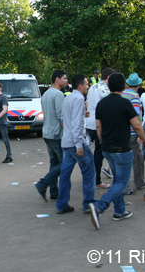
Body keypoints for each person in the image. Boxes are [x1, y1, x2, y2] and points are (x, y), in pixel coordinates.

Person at [88, 73, 145, 229]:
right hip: (122, 148)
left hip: (107, 148)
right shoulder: (125, 103)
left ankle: (120, 211)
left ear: (109, 86)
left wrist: (102, 142)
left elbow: (99, 126)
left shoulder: (102, 104)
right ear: (124, 86)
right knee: (122, 182)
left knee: (117, 180)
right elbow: (137, 126)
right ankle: (99, 207)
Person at [55, 74, 96, 214]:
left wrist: (83, 114)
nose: (88, 86)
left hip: (66, 141)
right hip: (75, 142)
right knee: (89, 172)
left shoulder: (68, 98)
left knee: (65, 174)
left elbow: (66, 118)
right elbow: (76, 123)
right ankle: (88, 203)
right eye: (86, 84)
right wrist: (79, 144)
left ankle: (61, 204)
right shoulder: (79, 99)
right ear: (80, 86)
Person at [33, 70, 68, 202]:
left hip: (46, 132)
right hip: (56, 134)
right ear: (57, 79)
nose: (66, 81)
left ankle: (54, 192)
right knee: (64, 162)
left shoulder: (46, 94)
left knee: (54, 163)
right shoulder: (58, 94)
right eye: (64, 78)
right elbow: (61, 116)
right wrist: (69, 132)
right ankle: (42, 184)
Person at [85, 67, 116, 189]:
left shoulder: (93, 87)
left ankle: (93, 177)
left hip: (90, 123)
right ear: (109, 77)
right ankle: (96, 179)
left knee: (96, 152)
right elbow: (106, 108)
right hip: (100, 124)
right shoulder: (105, 90)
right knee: (99, 153)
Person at [122, 73, 145, 191]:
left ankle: (140, 180)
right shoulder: (135, 97)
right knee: (135, 159)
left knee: (136, 158)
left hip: (122, 131)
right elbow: (136, 116)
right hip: (132, 132)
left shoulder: (122, 94)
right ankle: (134, 183)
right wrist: (140, 133)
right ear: (139, 84)